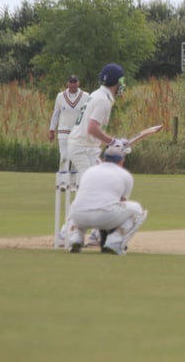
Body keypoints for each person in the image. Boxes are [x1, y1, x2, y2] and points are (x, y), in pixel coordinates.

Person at [63, 63, 129, 246]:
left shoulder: (97, 94)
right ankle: (67, 232)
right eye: (122, 80)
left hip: (88, 147)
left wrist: (113, 141)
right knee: (92, 188)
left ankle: (95, 234)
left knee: (100, 185)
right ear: (117, 82)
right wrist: (113, 142)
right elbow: (92, 128)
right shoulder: (102, 100)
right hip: (81, 147)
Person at [66, 139, 148, 255]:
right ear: (121, 162)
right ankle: (114, 242)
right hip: (105, 216)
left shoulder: (89, 171)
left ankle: (76, 238)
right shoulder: (125, 175)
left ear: (104, 159)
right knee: (137, 210)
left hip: (78, 216)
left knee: (77, 205)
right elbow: (122, 202)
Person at [48, 75, 90, 175]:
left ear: (78, 83)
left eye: (75, 82)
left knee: (76, 157)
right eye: (71, 82)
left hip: (78, 132)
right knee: (64, 156)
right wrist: (51, 130)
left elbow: (88, 114)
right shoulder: (60, 96)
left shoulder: (86, 96)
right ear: (67, 83)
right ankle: (63, 182)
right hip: (63, 131)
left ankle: (73, 183)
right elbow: (56, 114)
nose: (73, 84)